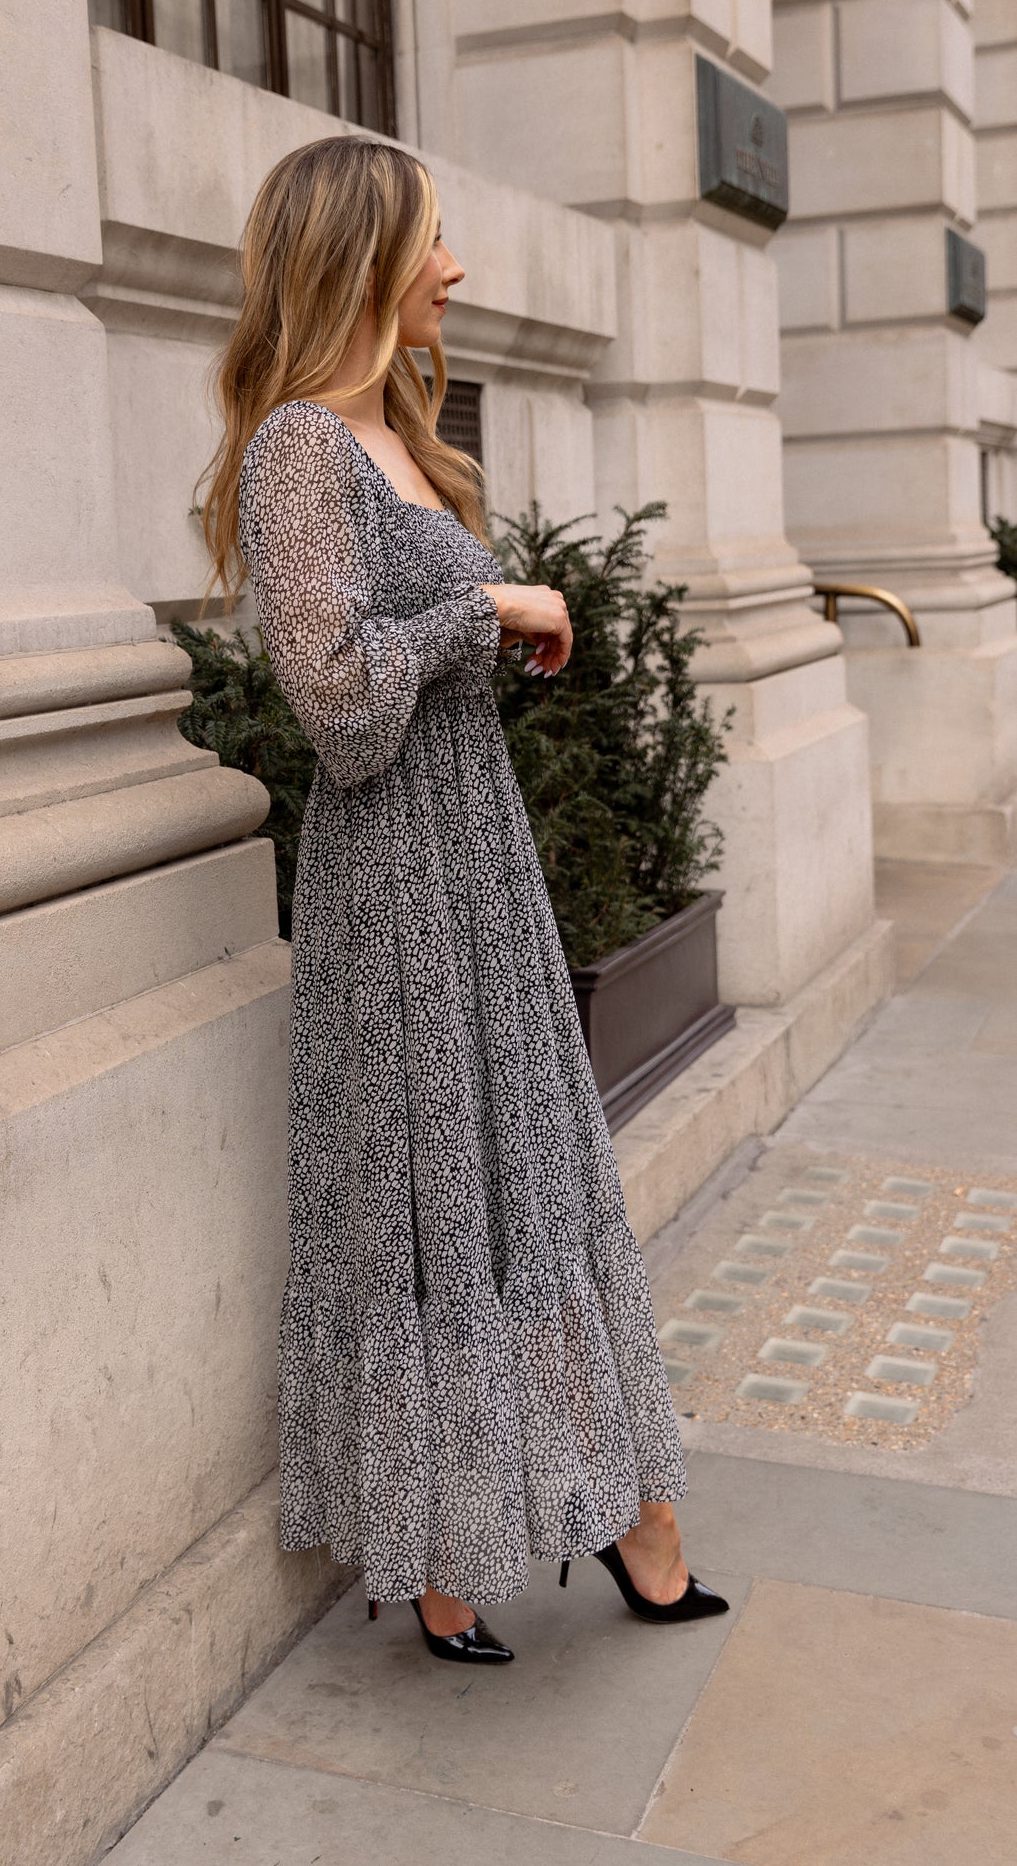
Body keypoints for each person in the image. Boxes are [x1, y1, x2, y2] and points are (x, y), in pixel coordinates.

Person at [197, 136, 727, 1663]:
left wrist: (492, 637)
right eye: (432, 240)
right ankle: (469, 1540)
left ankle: (592, 1515)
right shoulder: (300, 444)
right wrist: (485, 606)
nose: (456, 268)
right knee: (441, 1199)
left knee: (525, 1184)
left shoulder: (400, 441)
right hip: (397, 888)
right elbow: (340, 702)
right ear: (363, 261)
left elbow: (408, 661)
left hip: (475, 864)